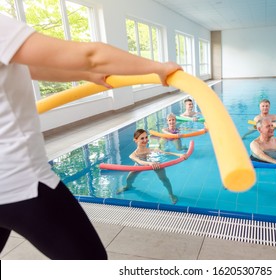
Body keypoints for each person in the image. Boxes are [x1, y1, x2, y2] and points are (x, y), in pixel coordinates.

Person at [0, 14, 182, 259]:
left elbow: (29, 66)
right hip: (19, 184)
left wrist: (84, 75)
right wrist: (158, 68)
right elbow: (91, 56)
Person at [117, 129, 188, 204]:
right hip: (140, 165)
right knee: (129, 178)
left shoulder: (152, 150)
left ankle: (171, 194)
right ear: (135, 140)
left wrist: (180, 155)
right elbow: (140, 161)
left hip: (155, 164)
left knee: (164, 179)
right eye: (142, 138)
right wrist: (149, 163)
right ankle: (128, 186)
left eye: (146, 137)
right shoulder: (132, 155)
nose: (145, 140)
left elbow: (166, 153)